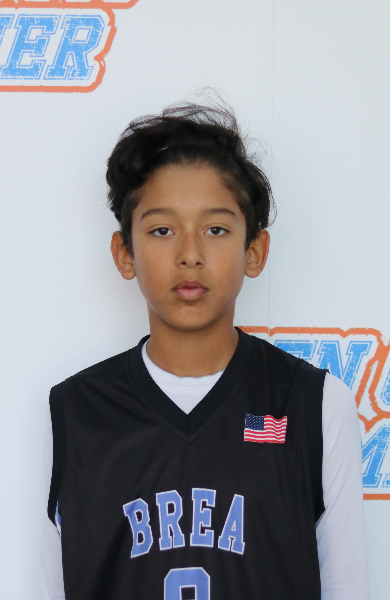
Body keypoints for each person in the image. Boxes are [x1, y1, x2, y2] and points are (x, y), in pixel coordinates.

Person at [41, 100, 369, 600]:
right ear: (125, 253)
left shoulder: (316, 405)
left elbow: (349, 587)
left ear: (254, 251)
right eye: (162, 230)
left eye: (215, 229)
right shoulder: (76, 411)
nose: (190, 254)